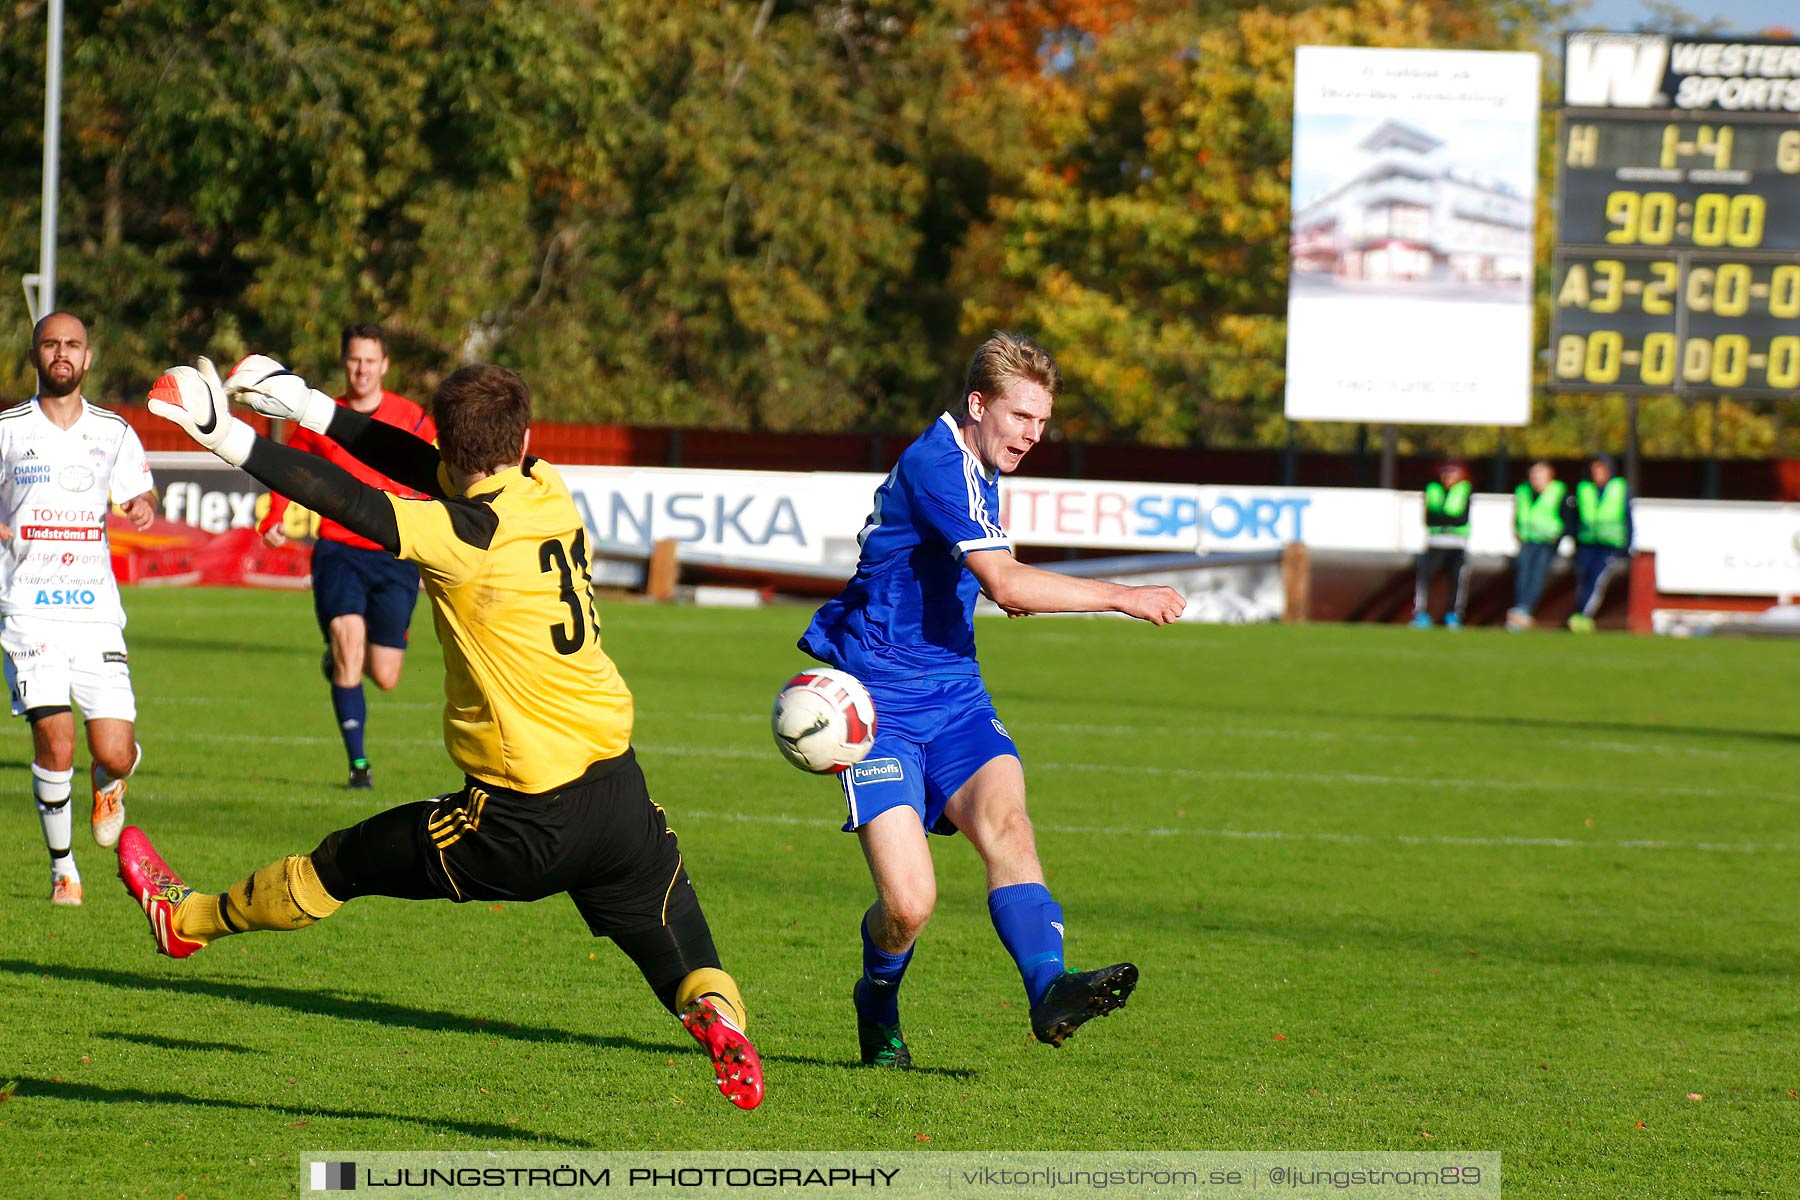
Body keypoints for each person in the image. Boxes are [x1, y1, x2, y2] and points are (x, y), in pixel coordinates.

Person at [119, 354, 763, 1109]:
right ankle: (717, 1019)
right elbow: (423, 464)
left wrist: (225, 435)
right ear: (524, 441)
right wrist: (310, 407)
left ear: (454, 445)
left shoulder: (465, 536)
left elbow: (349, 499)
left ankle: (188, 920)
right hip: (620, 794)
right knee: (681, 952)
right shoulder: (548, 489)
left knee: (342, 863)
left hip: (522, 818)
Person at [797, 331, 1187, 1068]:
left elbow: (971, 569)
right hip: (878, 709)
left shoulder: (978, 459)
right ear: (978, 405)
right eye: (1021, 418)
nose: (1033, 436)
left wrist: (980, 583)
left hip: (956, 695)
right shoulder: (939, 462)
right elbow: (1005, 579)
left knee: (1009, 825)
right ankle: (876, 997)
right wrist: (1122, 596)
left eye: (1043, 422)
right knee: (909, 904)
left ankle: (1050, 992)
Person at [0, 312, 156, 906]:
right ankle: (64, 869)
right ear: (35, 355)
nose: (61, 353)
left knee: (113, 751)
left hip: (94, 614)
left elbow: (140, 490)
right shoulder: (9, 430)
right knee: (55, 740)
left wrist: (140, 506)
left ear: (87, 358)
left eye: (72, 345)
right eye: (50, 344)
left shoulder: (113, 432)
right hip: (27, 612)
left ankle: (109, 783)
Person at [257, 324, 436, 789]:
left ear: (385, 365)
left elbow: (438, 472)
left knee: (386, 674)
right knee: (348, 639)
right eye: (354, 360)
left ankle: (338, 664)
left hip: (395, 552)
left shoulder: (411, 417)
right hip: (338, 550)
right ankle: (359, 766)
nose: (361, 369)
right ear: (346, 363)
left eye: (370, 361)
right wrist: (274, 515)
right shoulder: (322, 416)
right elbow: (289, 469)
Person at [1568, 453, 1632, 634]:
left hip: (1609, 544)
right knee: (1584, 579)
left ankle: (1583, 616)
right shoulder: (1584, 489)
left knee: (1597, 580)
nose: (1597, 473)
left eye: (1600, 469)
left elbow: (1628, 518)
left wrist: (1627, 545)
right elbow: (1575, 518)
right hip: (1586, 543)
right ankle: (1579, 614)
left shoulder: (1619, 488)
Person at [1410, 460, 1472, 629]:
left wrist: (1442, 517)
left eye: (1453, 473)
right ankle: (1421, 613)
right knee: (1425, 578)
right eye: (1445, 473)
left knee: (1457, 580)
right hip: (1435, 543)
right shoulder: (1433, 490)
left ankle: (1453, 614)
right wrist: (1447, 519)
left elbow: (1461, 519)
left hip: (1456, 545)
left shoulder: (1464, 490)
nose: (1448, 477)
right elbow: (1429, 518)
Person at [1506, 461, 1566, 631]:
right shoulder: (1523, 490)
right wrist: (1516, 530)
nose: (1535, 478)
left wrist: (1559, 537)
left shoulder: (1558, 491)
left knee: (1537, 574)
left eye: (1539, 475)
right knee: (1523, 573)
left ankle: (1524, 609)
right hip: (1528, 540)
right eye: (1533, 474)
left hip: (1547, 542)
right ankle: (1519, 609)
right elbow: (1517, 514)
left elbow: (1565, 517)